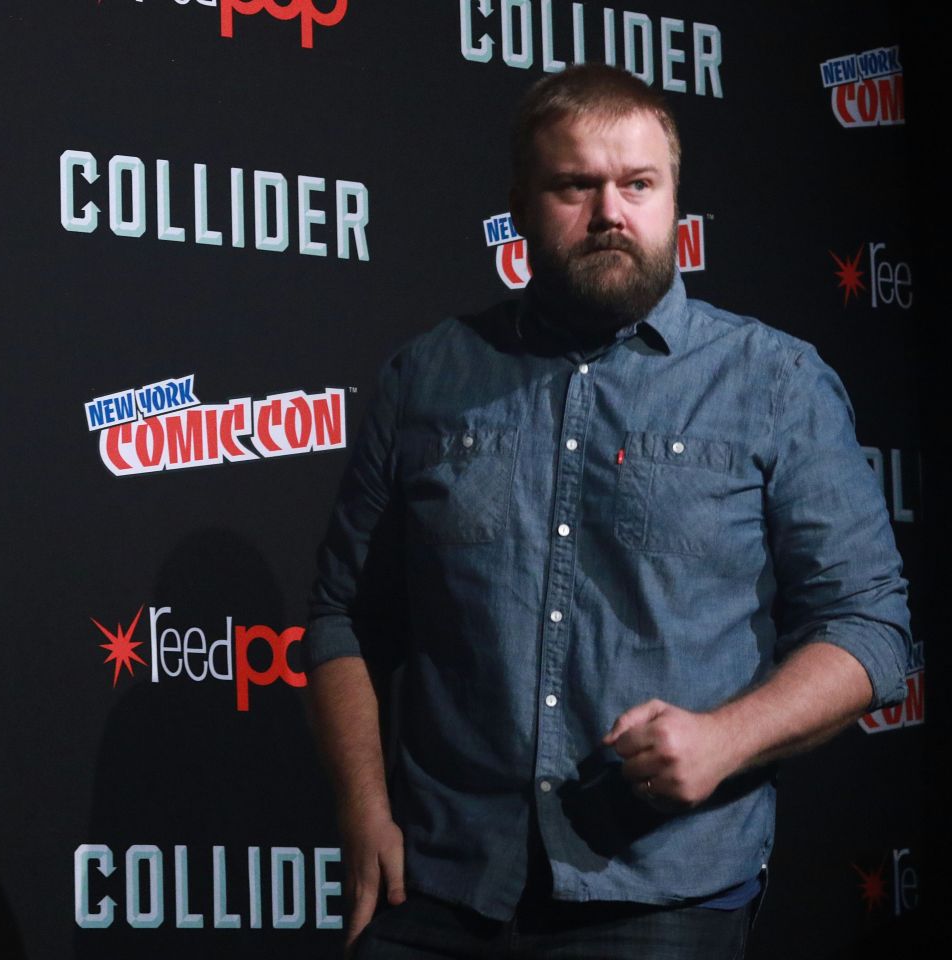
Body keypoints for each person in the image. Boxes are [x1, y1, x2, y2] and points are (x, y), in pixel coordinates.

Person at [303, 64, 912, 958]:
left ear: (674, 201)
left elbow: (869, 627)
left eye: (638, 184)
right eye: (575, 186)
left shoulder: (774, 382)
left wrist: (725, 739)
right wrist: (363, 811)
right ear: (520, 206)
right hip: (436, 883)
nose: (609, 214)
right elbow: (344, 618)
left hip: (664, 892)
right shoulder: (426, 378)